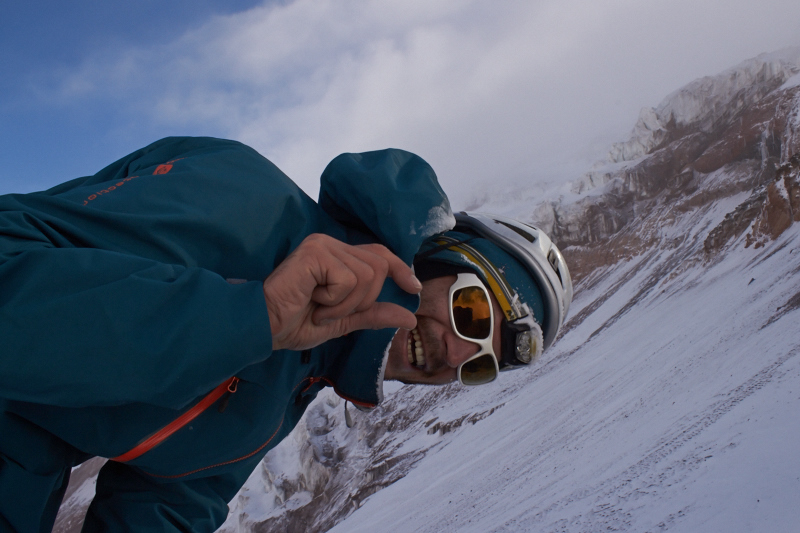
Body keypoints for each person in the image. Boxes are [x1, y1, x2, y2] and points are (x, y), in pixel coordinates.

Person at [0, 137, 572, 532]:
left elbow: (171, 496)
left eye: (479, 366)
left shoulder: (292, 386)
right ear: (435, 256)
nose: (454, 355)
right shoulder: (243, 204)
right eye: (474, 314)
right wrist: (248, 319)